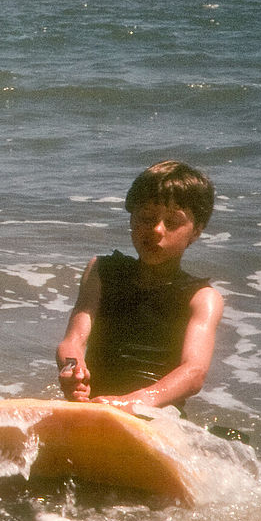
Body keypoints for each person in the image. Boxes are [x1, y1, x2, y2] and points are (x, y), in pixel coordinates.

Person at [56, 160, 223, 414]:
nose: (156, 230)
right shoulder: (102, 272)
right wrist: (71, 369)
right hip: (94, 404)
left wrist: (135, 401)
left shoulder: (202, 298)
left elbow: (194, 372)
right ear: (132, 218)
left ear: (196, 231)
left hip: (158, 412)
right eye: (146, 217)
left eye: (172, 222)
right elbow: (72, 341)